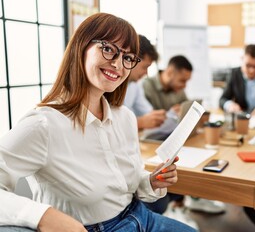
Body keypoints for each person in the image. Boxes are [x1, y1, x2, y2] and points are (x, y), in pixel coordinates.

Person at [0, 13, 196, 232]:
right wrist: (42, 216)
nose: (118, 64)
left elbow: (126, 184)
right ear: (81, 47)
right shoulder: (43, 124)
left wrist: (151, 181)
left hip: (141, 217)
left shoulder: (125, 117)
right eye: (109, 49)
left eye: (128, 57)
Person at [143, 55, 226, 215]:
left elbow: (187, 113)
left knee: (200, 160)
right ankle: (176, 206)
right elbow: (148, 122)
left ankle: (192, 198)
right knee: (174, 167)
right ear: (170, 72)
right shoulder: (147, 86)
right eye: (182, 80)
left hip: (174, 141)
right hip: (152, 144)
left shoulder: (178, 89)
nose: (184, 85)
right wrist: (169, 115)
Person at [123, 34, 166, 130]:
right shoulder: (109, 84)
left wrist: (163, 116)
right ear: (130, 59)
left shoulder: (135, 85)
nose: (146, 73)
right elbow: (109, 125)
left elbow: (147, 111)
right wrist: (140, 122)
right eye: (145, 67)